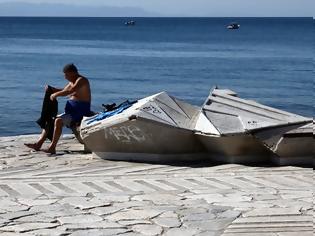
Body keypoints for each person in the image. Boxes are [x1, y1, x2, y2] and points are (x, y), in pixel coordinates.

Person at [25, 63, 92, 154]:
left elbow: (71, 91)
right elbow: (64, 90)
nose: (65, 77)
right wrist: (52, 89)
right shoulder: (72, 82)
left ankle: (52, 147)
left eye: (66, 74)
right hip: (70, 112)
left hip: (79, 112)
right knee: (50, 120)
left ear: (72, 73)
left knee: (58, 121)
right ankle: (38, 144)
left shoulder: (81, 80)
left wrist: (56, 95)